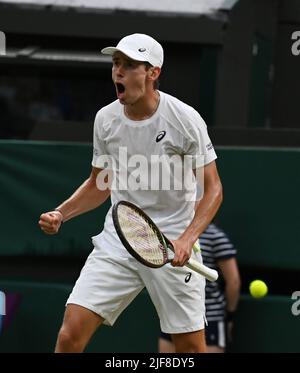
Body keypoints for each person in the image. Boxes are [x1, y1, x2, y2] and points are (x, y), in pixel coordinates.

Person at [38, 33, 223, 353]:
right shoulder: (106, 119)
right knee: (69, 336)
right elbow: (100, 182)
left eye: (130, 65)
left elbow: (213, 189)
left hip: (172, 241)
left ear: (153, 73)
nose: (118, 72)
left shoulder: (185, 119)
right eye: (115, 63)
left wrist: (187, 238)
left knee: (190, 350)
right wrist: (62, 213)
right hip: (120, 237)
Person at [159, 222, 241, 353]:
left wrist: (229, 316)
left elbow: (234, 282)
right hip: (175, 313)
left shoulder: (216, 237)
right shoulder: (173, 232)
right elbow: (234, 281)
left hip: (209, 318)